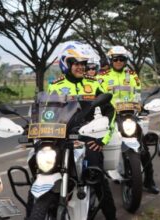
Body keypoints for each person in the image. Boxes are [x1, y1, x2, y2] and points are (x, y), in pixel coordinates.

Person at [48, 41, 117, 220]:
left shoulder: (93, 84)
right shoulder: (55, 86)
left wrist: (102, 139)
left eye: (83, 64)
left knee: (96, 175)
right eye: (76, 63)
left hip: (88, 136)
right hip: (62, 137)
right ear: (67, 64)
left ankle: (111, 216)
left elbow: (110, 111)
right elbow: (47, 113)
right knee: (44, 171)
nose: (80, 67)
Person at [97, 45, 160, 194]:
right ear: (111, 60)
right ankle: (97, 185)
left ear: (126, 60)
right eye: (116, 59)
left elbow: (137, 95)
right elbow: (98, 97)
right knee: (99, 146)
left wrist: (141, 106)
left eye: (122, 59)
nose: (119, 61)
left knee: (143, 147)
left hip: (130, 115)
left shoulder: (132, 75)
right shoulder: (102, 77)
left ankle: (149, 181)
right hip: (111, 116)